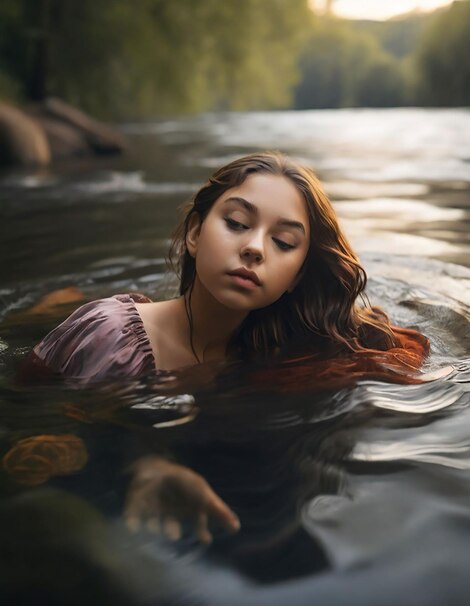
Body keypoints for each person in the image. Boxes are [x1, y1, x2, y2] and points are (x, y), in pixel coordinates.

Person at [18, 151, 430, 543]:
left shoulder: (269, 355)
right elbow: (36, 416)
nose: (254, 247)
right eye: (236, 222)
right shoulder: (107, 334)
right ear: (195, 234)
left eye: (284, 242)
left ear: (296, 279)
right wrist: (139, 465)